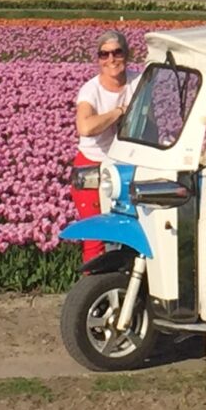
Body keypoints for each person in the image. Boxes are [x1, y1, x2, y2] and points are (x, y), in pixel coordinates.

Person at [71, 30, 139, 263]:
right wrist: (119, 112)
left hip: (126, 164)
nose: (111, 59)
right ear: (98, 59)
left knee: (134, 232)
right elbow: (86, 127)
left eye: (117, 52)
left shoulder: (137, 82)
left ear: (127, 54)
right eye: (104, 54)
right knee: (95, 237)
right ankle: (96, 290)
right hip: (94, 165)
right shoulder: (90, 91)